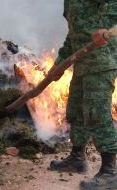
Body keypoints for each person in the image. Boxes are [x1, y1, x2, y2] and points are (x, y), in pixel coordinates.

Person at [49, 0, 117, 189]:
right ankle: (77, 158)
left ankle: (110, 172)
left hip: (102, 61)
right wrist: (60, 62)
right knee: (77, 110)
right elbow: (74, 34)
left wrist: (107, 29)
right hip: (83, 63)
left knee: (97, 114)